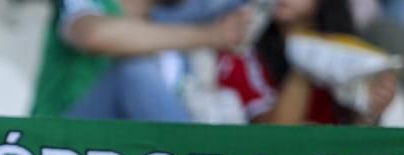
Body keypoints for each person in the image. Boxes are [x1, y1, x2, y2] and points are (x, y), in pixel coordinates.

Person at [31, 0, 252, 120]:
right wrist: (212, 35)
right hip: (60, 146)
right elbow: (93, 35)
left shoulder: (174, 41)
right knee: (134, 71)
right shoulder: (90, 4)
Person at [216, 0, 397, 124]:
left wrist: (370, 108)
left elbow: (354, 136)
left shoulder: (350, 51)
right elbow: (275, 138)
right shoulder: (242, 55)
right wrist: (306, 60)